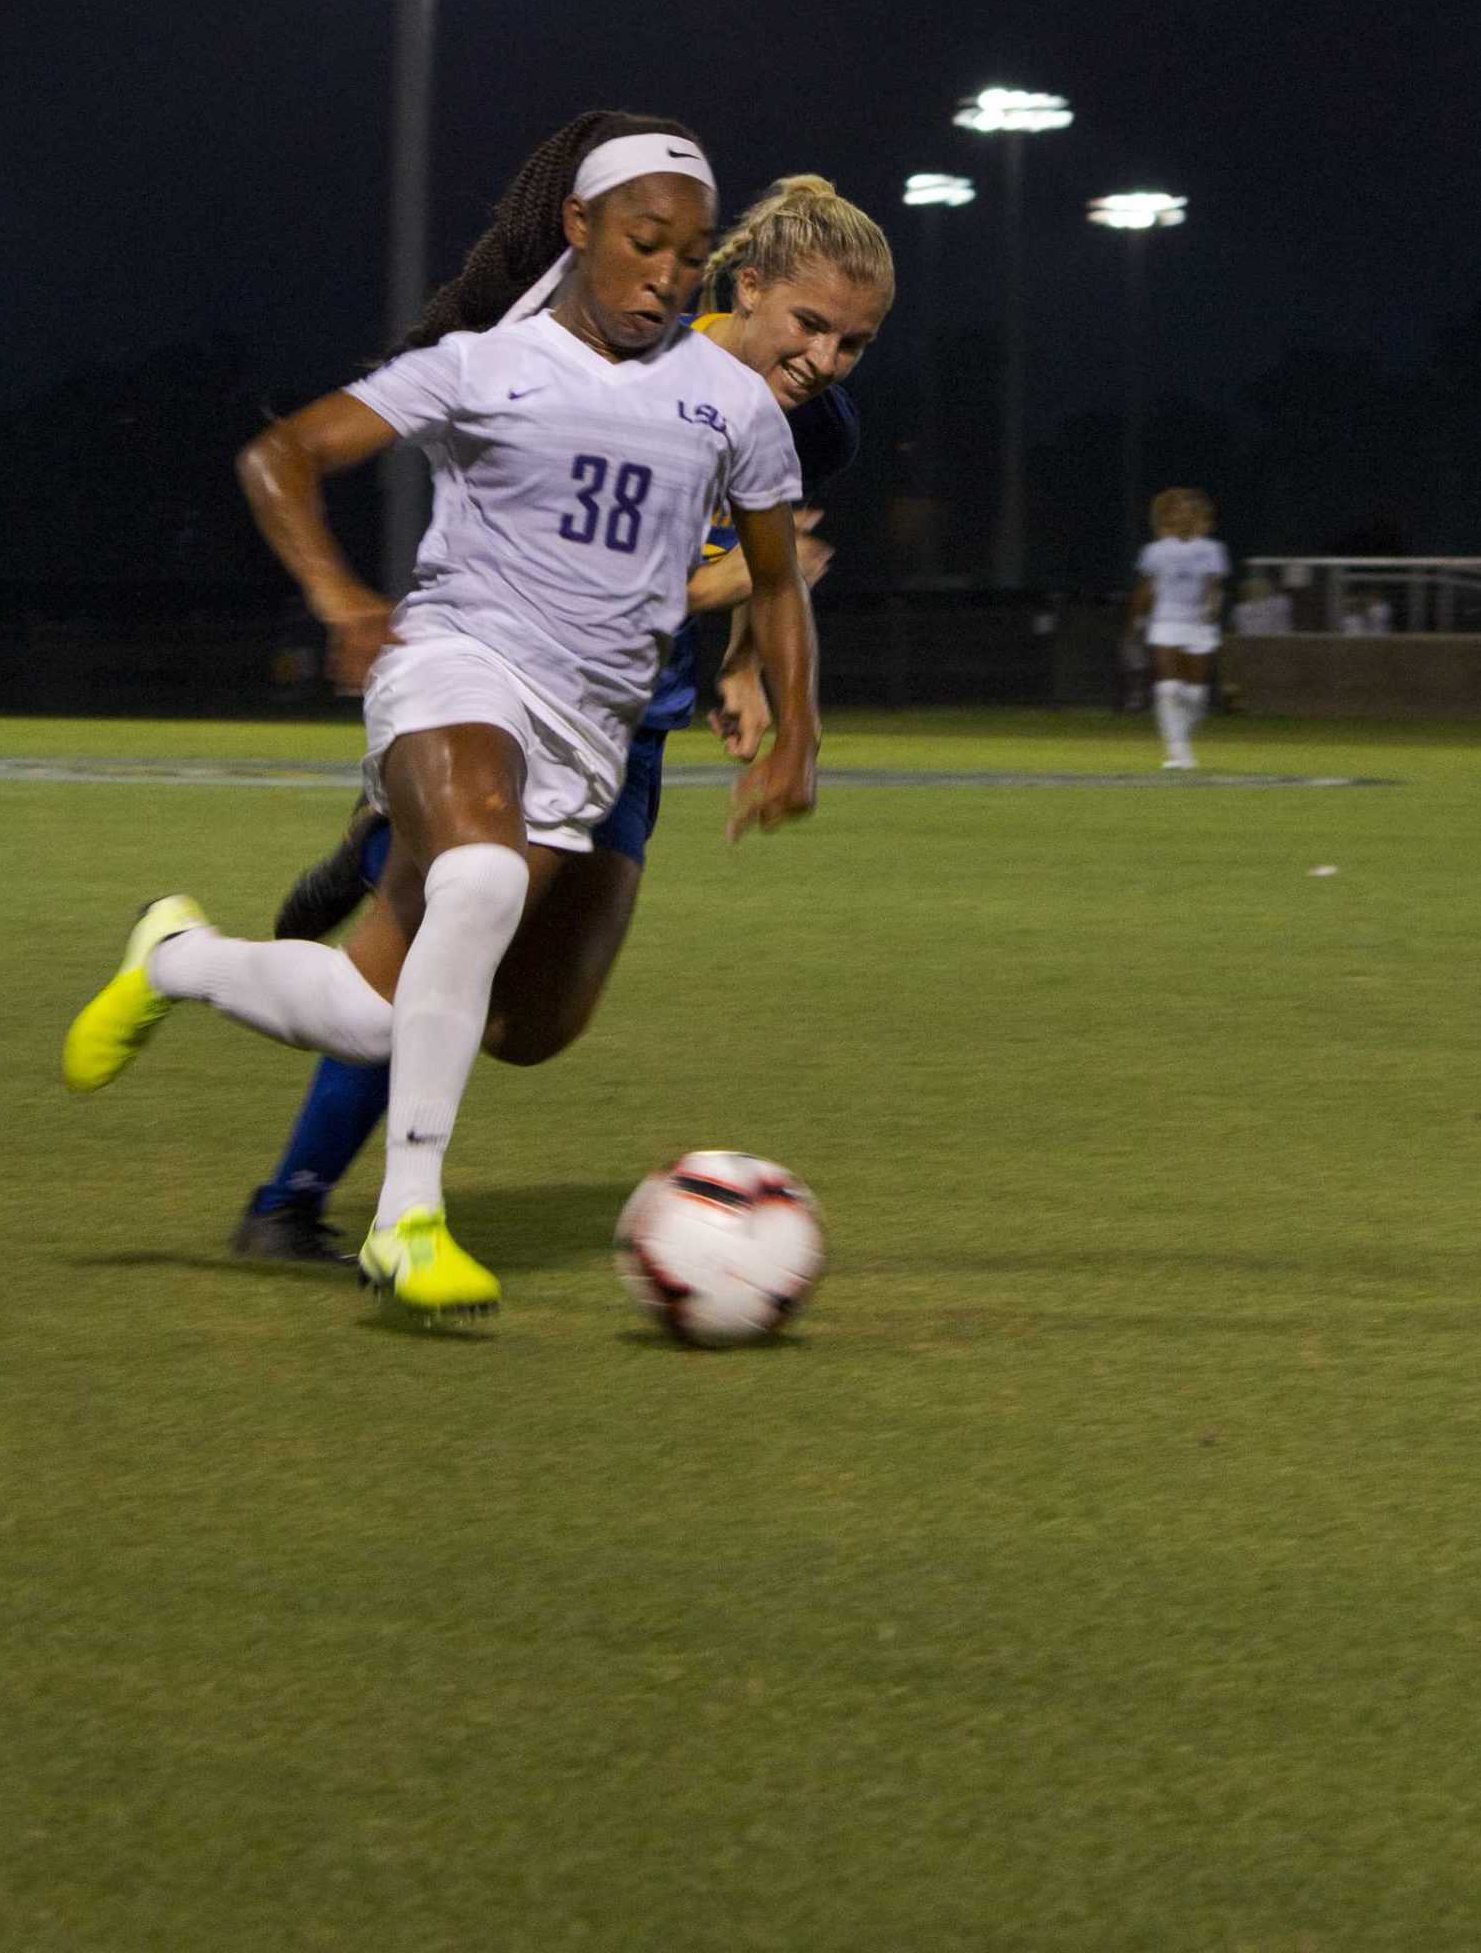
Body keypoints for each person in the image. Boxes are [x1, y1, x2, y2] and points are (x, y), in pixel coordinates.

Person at [62, 112, 821, 1318]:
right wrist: (343, 600)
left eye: (689, 257)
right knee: (476, 880)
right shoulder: (484, 365)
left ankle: (177, 959)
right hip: (455, 667)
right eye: (644, 243)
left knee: (405, 1018)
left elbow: (778, 582)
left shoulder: (729, 406)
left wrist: (797, 738)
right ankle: (404, 1222)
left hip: (586, 735)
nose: (668, 277)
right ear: (578, 228)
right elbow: (282, 457)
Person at [232, 169, 895, 1261]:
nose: (822, 362)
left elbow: (757, 567)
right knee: (439, 954)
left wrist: (743, 673)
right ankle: (291, 1201)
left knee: (535, 1028)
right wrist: (714, 598)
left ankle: (378, 862)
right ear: (745, 282)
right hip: (503, 683)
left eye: (851, 345)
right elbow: (587, 569)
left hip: (626, 722)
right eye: (809, 325)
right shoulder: (603, 357)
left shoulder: (809, 427)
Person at [1127, 487, 1229, 771]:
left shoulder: (1211, 549)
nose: (1184, 513)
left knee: (1195, 696)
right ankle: (1178, 752)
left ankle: (1180, 739)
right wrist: (1136, 622)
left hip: (1197, 625)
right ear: (1168, 515)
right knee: (1169, 689)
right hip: (1166, 621)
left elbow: (1214, 586)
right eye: (1178, 509)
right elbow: (1145, 588)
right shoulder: (1156, 551)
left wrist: (1211, 610)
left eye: (1188, 509)